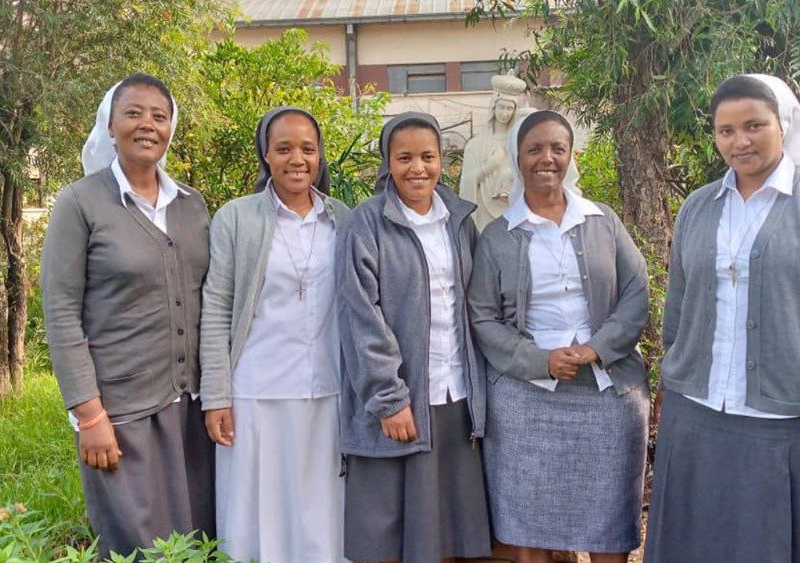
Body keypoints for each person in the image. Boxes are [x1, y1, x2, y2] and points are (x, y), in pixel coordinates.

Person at [644, 74, 800, 563]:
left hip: (785, 423)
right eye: (725, 130)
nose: (739, 141)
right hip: (698, 412)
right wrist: (671, 379)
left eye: (754, 125)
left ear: (783, 125)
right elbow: (680, 306)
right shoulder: (698, 207)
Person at [41, 73, 214, 556]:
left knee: (195, 537)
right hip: (120, 412)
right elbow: (59, 311)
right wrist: (88, 414)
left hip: (192, 407)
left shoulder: (191, 205)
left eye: (160, 116)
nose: (147, 125)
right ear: (110, 124)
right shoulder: (80, 203)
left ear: (171, 129)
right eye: (133, 113)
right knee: (135, 541)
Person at [468, 109, 650, 563]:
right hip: (525, 395)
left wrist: (597, 347)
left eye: (557, 148)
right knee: (529, 515)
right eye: (534, 149)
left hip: (607, 390)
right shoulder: (497, 236)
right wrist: (540, 359)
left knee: (608, 516)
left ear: (571, 156)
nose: (546, 158)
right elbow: (483, 317)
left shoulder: (602, 221)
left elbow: (636, 291)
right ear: (517, 158)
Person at [337, 112, 491, 563]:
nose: (417, 168)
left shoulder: (460, 221)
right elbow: (360, 315)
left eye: (428, 156)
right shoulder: (366, 224)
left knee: (443, 531)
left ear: (443, 160)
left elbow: (476, 303)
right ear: (388, 162)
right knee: (387, 533)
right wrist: (389, 396)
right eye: (404, 157)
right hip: (401, 400)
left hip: (455, 394)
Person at [198, 107, 349, 562]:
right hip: (255, 393)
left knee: (322, 514)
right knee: (254, 517)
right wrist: (216, 396)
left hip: (329, 390)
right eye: (284, 148)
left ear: (320, 155)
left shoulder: (343, 218)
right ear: (266, 154)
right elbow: (216, 309)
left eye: (307, 148)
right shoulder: (236, 218)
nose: (297, 159)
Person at [460, 71, 528, 229]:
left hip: (514, 214)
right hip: (484, 217)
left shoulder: (520, 143)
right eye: (501, 107)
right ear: (493, 107)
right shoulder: (475, 145)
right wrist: (487, 168)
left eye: (510, 108)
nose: (505, 113)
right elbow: (466, 185)